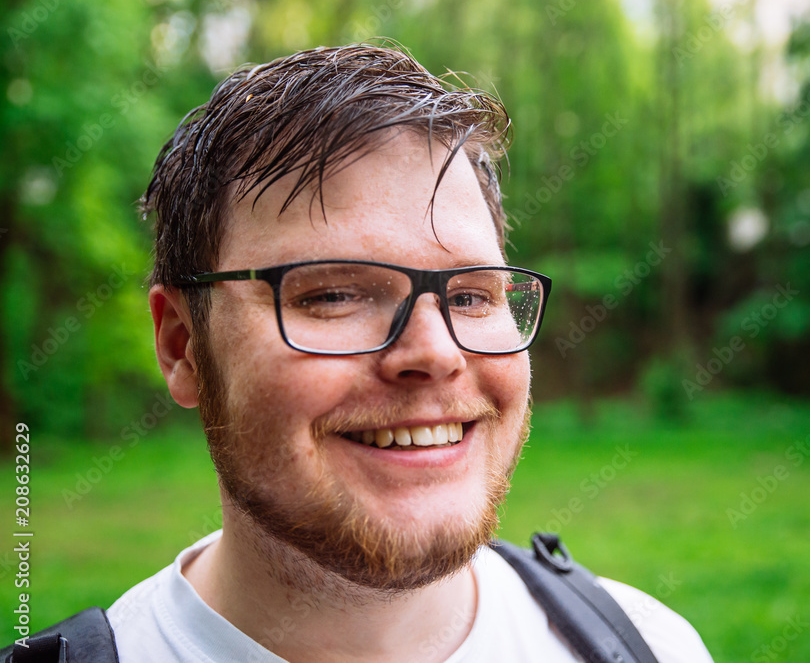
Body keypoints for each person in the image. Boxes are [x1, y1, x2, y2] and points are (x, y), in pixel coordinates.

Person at [104, 43, 714, 662]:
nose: (437, 352)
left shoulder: (653, 646)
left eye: (471, 296)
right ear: (182, 347)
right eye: (333, 295)